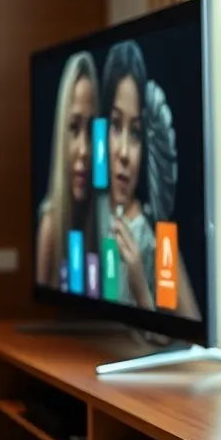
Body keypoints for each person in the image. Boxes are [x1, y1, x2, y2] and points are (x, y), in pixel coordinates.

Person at [100, 41, 200, 319]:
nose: (123, 153)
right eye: (115, 125)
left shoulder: (158, 236)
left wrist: (139, 283)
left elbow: (182, 337)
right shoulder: (87, 213)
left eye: (135, 133)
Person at [36, 51, 99, 288]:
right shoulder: (50, 227)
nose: (84, 149)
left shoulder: (105, 223)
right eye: (73, 128)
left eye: (92, 130)